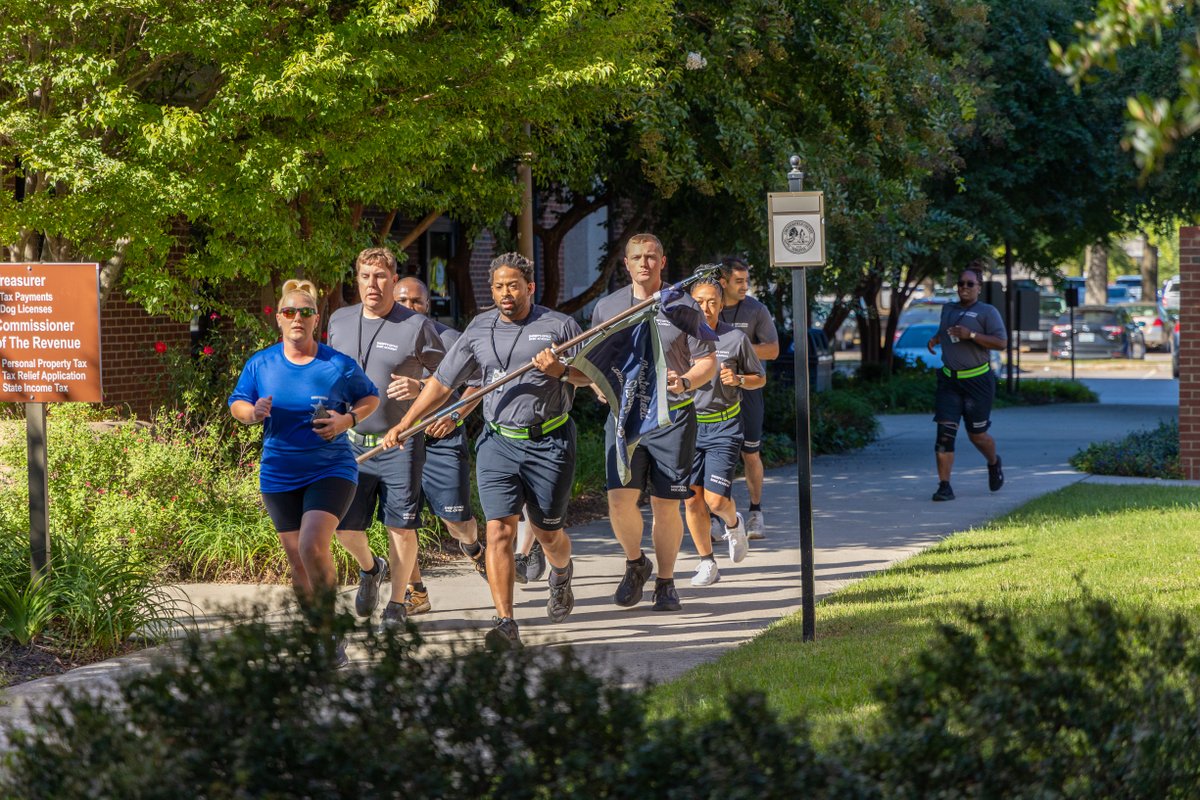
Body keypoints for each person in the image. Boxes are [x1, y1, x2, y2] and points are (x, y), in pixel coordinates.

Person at [383, 253, 590, 649]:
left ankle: (561, 574)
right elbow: (441, 384)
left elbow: (590, 376)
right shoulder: (479, 330)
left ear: (530, 287)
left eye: (513, 285)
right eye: (498, 286)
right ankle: (505, 622)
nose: (505, 293)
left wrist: (560, 371)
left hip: (550, 441)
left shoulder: (558, 325)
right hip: (498, 442)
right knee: (498, 531)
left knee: (548, 533)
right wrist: (406, 423)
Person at [228, 279, 380, 663]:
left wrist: (347, 421)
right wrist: (253, 413)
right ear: (279, 318)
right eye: (290, 312)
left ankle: (333, 633)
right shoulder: (260, 363)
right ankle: (318, 630)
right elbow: (237, 404)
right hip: (279, 472)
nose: (298, 318)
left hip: (331, 468)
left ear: (317, 319)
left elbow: (371, 397)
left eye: (306, 312)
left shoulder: (337, 365)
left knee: (313, 544)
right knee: (297, 559)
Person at [591, 234, 717, 612]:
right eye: (636, 258)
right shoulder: (608, 307)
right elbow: (596, 360)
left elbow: (708, 360)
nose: (644, 263)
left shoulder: (682, 304)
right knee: (619, 501)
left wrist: (688, 380)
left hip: (672, 416)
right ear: (626, 264)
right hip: (624, 418)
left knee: (666, 506)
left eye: (651, 257)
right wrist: (601, 388)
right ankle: (635, 563)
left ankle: (665, 582)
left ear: (663, 262)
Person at [327, 249, 449, 628]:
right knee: (345, 528)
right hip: (350, 444)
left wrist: (420, 386)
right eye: (365, 276)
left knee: (401, 527)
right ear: (357, 279)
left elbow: (451, 377)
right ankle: (370, 568)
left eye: (380, 276)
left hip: (400, 442)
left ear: (394, 281)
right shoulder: (339, 320)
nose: (372, 284)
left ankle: (396, 604)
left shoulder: (416, 326)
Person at [392, 276, 487, 616]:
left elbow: (478, 381)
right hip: (398, 441)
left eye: (416, 301)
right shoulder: (380, 337)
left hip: (440, 437)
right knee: (401, 522)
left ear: (427, 306)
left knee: (456, 520)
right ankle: (415, 592)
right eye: (402, 299)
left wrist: (456, 416)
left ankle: (474, 549)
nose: (409, 307)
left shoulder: (448, 338)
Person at [683, 277, 766, 586]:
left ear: (721, 305)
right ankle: (707, 563)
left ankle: (734, 523)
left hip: (724, 425)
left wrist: (740, 380)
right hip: (687, 426)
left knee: (716, 501)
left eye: (712, 302)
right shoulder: (680, 338)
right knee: (692, 500)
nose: (706, 308)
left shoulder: (734, 339)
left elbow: (759, 378)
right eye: (699, 302)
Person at [925, 263, 1006, 501]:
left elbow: (1001, 343)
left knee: (977, 435)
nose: (964, 287)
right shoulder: (948, 308)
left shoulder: (987, 312)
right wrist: (936, 338)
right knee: (944, 435)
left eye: (970, 284)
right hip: (949, 382)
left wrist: (971, 335)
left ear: (979, 287)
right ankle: (944, 486)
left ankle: (993, 462)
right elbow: (949, 331)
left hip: (977, 383)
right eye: (961, 283)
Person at [717, 257, 779, 540]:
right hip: (714, 394)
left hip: (749, 391)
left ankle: (756, 512)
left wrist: (737, 349)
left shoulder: (756, 310)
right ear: (723, 281)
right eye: (739, 281)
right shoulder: (708, 307)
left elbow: (773, 350)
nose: (745, 286)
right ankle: (718, 517)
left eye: (746, 280)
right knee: (718, 455)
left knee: (750, 453)